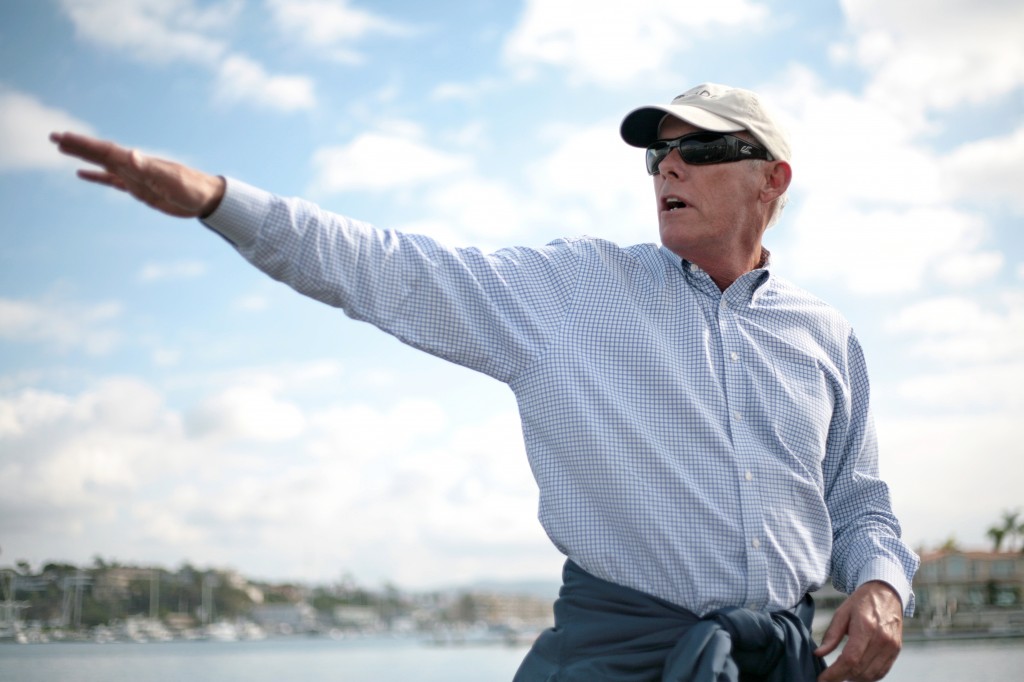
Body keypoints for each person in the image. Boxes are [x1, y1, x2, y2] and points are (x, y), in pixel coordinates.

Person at [51, 82, 918, 681]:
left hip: (782, 664)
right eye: (656, 155)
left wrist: (880, 583)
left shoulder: (829, 338)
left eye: (698, 149)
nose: (666, 168)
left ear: (774, 177)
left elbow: (860, 503)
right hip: (615, 661)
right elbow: (392, 270)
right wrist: (217, 200)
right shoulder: (574, 291)